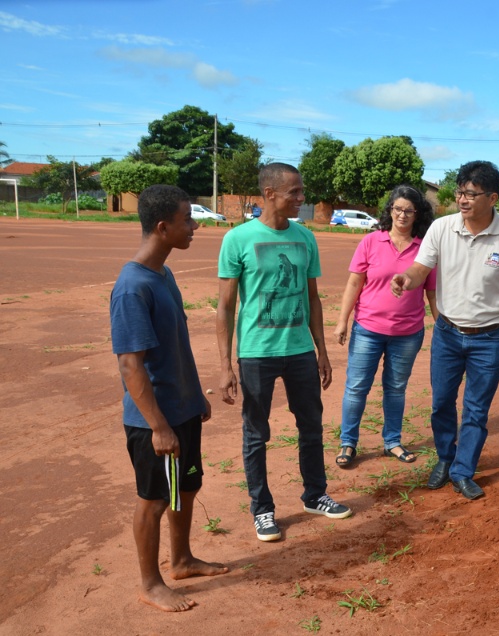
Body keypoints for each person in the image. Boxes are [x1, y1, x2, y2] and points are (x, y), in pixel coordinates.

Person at [391, 160, 499, 501]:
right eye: (460, 192)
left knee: (476, 410)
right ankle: (444, 457)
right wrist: (406, 279)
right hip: (448, 333)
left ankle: (462, 470)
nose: (463, 200)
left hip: (489, 339)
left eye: (471, 193)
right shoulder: (442, 228)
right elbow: (421, 268)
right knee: (441, 402)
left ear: (492, 197)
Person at [217, 162, 352, 543]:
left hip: (299, 352)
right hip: (257, 353)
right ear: (270, 194)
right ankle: (262, 510)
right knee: (256, 434)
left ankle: (315, 495)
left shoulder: (305, 238)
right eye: (294, 192)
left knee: (311, 426)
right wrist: (226, 365)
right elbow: (225, 306)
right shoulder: (238, 239)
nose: (301, 198)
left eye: (300, 190)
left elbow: (312, 298)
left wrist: (321, 351)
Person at [110, 184, 228, 612]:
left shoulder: (164, 274)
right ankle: (150, 583)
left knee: (187, 487)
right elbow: (131, 365)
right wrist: (159, 426)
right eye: (187, 219)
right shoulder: (132, 288)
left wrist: (195, 397)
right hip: (152, 420)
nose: (194, 226)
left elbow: (175, 345)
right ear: (163, 227)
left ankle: (181, 560)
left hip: (182, 409)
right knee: (155, 498)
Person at [333, 185, 438, 467]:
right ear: (389, 210)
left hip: (407, 334)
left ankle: (392, 441)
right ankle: (348, 442)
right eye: (398, 209)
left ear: (418, 214)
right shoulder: (370, 242)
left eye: (409, 210)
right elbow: (355, 282)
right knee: (356, 387)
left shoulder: (425, 247)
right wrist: (343, 321)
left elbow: (431, 292)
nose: (402, 215)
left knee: (395, 388)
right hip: (367, 328)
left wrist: (441, 326)